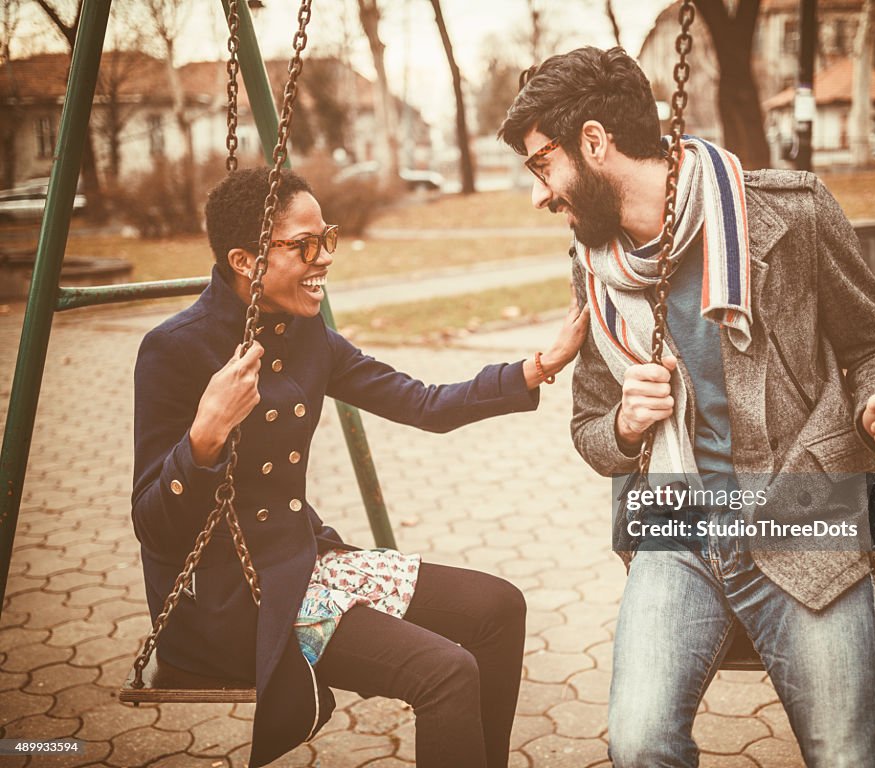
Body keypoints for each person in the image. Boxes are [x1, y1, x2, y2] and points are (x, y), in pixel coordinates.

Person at [498, 47, 875, 767]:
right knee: (638, 746)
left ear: (596, 142)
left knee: (850, 756)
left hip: (801, 515)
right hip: (677, 532)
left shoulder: (791, 213)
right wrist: (627, 424)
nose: (539, 194)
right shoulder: (594, 265)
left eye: (542, 164)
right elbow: (590, 430)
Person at [131, 167, 589, 768]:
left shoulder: (306, 335)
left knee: (499, 608)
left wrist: (535, 366)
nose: (323, 259)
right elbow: (153, 525)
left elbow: (422, 402)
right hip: (237, 600)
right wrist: (206, 435)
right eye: (303, 246)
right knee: (446, 673)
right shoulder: (175, 348)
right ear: (245, 261)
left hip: (305, 565)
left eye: (327, 238)